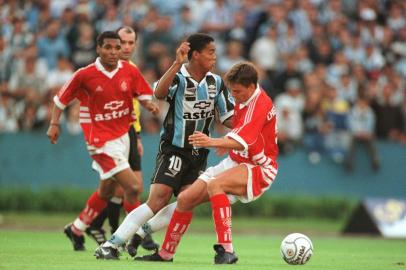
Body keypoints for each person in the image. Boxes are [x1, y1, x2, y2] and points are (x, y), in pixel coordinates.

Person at [94, 32, 234, 260]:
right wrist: (177, 63)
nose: (215, 57)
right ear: (196, 55)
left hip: (199, 154)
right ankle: (111, 245)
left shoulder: (216, 82)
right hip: (174, 149)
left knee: (185, 203)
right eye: (211, 52)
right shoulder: (179, 77)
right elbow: (158, 93)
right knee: (158, 199)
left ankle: (141, 232)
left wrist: (250, 126)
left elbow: (228, 117)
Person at [135, 61, 279, 264]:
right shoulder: (246, 96)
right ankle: (165, 254)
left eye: (238, 92)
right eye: (232, 91)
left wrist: (212, 141)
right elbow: (241, 134)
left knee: (215, 185)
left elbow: (245, 140)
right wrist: (228, 144)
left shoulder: (260, 104)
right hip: (236, 160)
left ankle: (227, 250)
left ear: (252, 86)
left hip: (259, 167)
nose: (234, 96)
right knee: (185, 199)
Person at [46, 31, 159, 251]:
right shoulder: (85, 74)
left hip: (124, 136)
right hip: (100, 142)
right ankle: (124, 239)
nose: (114, 52)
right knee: (133, 187)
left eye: (117, 48)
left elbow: (143, 94)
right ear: (98, 48)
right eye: (108, 47)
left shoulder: (129, 71)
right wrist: (54, 124)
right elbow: (60, 100)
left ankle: (77, 228)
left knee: (107, 190)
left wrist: (150, 105)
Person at [86, 26, 158, 251]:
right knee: (129, 187)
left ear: (135, 44)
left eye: (129, 43)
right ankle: (130, 236)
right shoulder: (101, 71)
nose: (124, 48)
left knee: (118, 189)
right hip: (111, 135)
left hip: (129, 133)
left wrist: (136, 135)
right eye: (121, 43)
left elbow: (138, 103)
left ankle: (94, 225)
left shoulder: (131, 69)